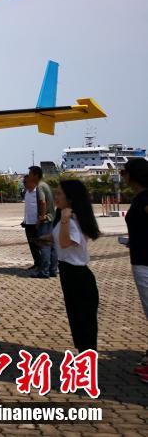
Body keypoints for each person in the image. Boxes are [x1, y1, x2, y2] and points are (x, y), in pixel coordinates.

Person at [48, 179, 101, 352]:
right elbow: (59, 239)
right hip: (68, 273)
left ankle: (87, 358)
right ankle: (84, 356)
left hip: (78, 275)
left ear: (70, 198)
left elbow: (64, 243)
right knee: (77, 320)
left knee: (84, 322)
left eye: (59, 194)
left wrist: (64, 219)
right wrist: (45, 239)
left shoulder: (70, 220)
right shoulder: (64, 218)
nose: (55, 197)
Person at [121, 157, 148, 381]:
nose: (123, 177)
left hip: (145, 261)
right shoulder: (140, 197)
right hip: (140, 257)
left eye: (124, 173)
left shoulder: (146, 198)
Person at [28, 166, 57, 278]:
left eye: (30, 174)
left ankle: (44, 271)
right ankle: (53, 270)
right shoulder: (45, 185)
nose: (29, 176)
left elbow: (42, 202)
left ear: (35, 175)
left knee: (44, 245)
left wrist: (41, 218)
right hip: (51, 218)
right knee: (52, 246)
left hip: (46, 220)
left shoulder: (40, 186)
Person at [21, 175, 42, 271]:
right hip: (28, 222)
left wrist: (40, 219)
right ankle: (37, 263)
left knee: (39, 244)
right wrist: (24, 220)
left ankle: (44, 264)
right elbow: (28, 208)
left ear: (32, 182)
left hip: (36, 223)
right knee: (32, 245)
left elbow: (42, 205)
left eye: (25, 182)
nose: (24, 184)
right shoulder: (27, 193)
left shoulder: (38, 192)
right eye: (23, 182)